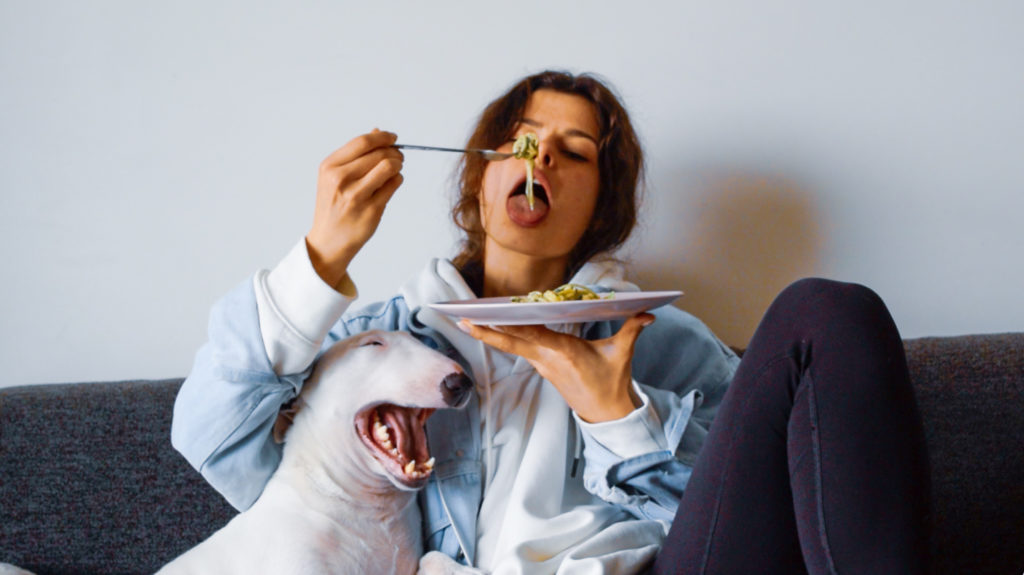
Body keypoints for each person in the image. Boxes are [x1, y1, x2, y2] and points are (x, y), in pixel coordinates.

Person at [172, 70, 930, 574]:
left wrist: (618, 415)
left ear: (600, 206)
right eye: (525, 141)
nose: (546, 162)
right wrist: (318, 261)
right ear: (482, 172)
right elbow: (216, 443)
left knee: (828, 309)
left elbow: (756, 509)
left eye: (577, 153)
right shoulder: (381, 345)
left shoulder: (660, 342)